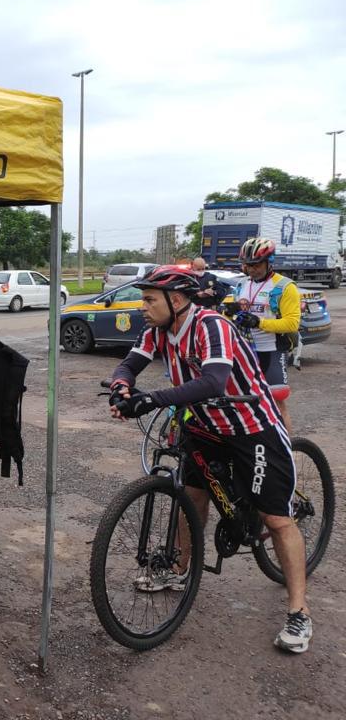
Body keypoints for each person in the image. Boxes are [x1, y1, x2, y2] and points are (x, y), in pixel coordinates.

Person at [108, 265, 312, 653]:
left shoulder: (211, 326)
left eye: (150, 299)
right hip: (203, 426)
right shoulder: (157, 330)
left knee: (276, 518)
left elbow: (214, 381)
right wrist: (122, 387)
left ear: (177, 300)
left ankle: (299, 611)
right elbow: (130, 363)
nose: (143, 306)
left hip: (251, 427)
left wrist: (150, 399)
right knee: (191, 498)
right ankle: (182, 569)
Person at [230, 238, 300, 432]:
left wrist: (259, 322)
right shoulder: (242, 285)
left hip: (272, 350)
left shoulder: (285, 287)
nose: (251, 269)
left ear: (270, 261)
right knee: (242, 400)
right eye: (247, 265)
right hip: (245, 351)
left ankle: (286, 452)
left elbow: (293, 323)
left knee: (277, 402)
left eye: (256, 264)